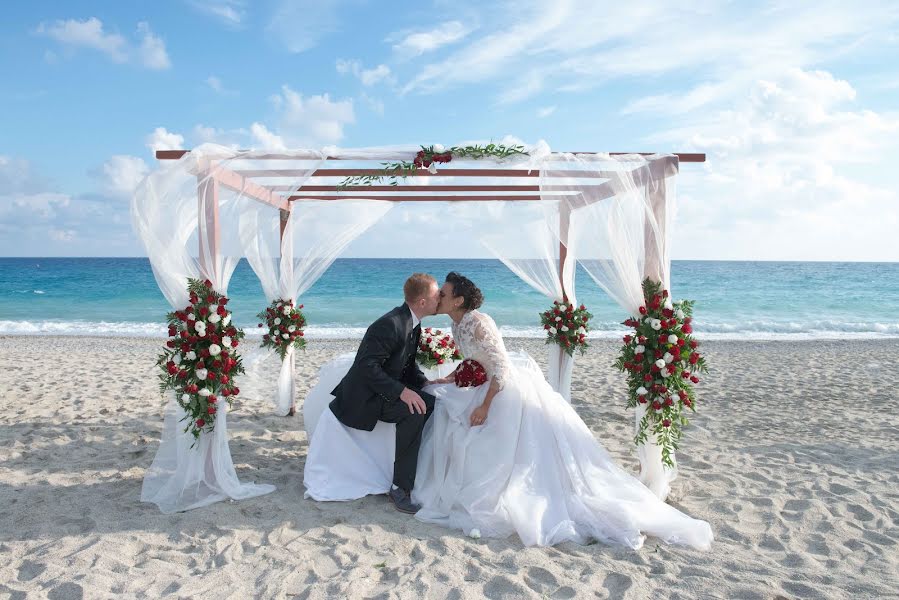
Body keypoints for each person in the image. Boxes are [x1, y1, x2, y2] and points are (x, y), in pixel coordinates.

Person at [410, 272, 713, 549]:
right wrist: (450, 377)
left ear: (458, 300)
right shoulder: (456, 322)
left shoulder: (479, 323)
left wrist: (486, 407)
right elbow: (473, 362)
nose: (439, 298)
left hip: (502, 390)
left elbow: (500, 368)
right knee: (446, 408)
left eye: (444, 294)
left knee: (482, 435)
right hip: (482, 385)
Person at [327, 273, 440, 513]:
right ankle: (399, 487)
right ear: (422, 302)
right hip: (365, 396)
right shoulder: (390, 324)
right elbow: (366, 367)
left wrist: (425, 382)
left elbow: (406, 363)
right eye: (436, 295)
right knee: (414, 411)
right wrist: (402, 392)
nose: (439, 298)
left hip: (383, 387)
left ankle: (417, 469)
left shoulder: (412, 322)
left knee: (432, 402)